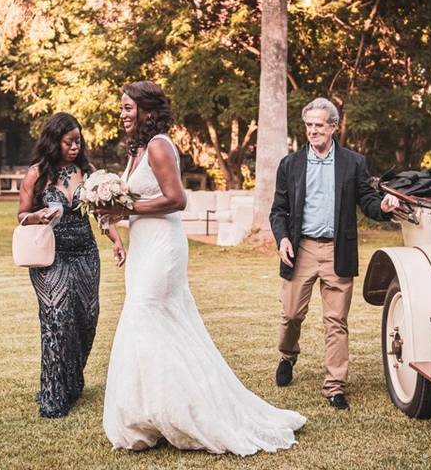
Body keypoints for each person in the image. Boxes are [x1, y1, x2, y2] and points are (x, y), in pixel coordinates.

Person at [101, 81, 305, 455]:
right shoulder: (136, 151)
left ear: (147, 110)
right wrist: (112, 216)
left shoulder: (160, 145)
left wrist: (126, 210)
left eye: (129, 107)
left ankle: (184, 414)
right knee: (149, 323)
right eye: (122, 108)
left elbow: (176, 199)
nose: (123, 113)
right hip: (143, 244)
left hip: (164, 247)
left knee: (147, 314)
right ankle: (149, 414)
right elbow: (132, 201)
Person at [269, 97, 400, 410]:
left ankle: (334, 386)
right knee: (291, 315)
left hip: (337, 250)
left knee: (336, 321)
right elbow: (279, 209)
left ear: (333, 127)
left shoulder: (352, 162)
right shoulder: (291, 163)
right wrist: (283, 238)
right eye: (309, 125)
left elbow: (367, 200)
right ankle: (288, 356)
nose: (313, 131)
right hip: (300, 250)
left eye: (319, 125)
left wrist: (381, 207)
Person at [17, 113, 126, 418]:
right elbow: (22, 215)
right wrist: (39, 216)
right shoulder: (36, 174)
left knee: (86, 318)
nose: (75, 146)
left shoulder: (87, 171)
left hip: (85, 251)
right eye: (69, 141)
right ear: (54, 141)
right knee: (56, 318)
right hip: (50, 255)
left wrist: (116, 240)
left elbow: (100, 214)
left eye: (78, 140)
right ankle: (53, 393)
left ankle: (72, 381)